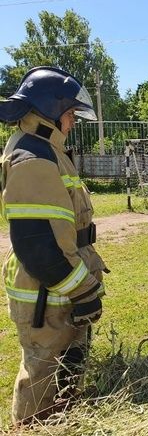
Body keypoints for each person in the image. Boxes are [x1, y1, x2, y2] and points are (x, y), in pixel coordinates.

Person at [0, 66, 106, 423]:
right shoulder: (34, 158)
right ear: (49, 110)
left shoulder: (48, 149)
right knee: (43, 382)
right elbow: (39, 246)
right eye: (70, 114)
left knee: (65, 376)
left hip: (58, 289)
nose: (73, 121)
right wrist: (83, 291)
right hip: (48, 292)